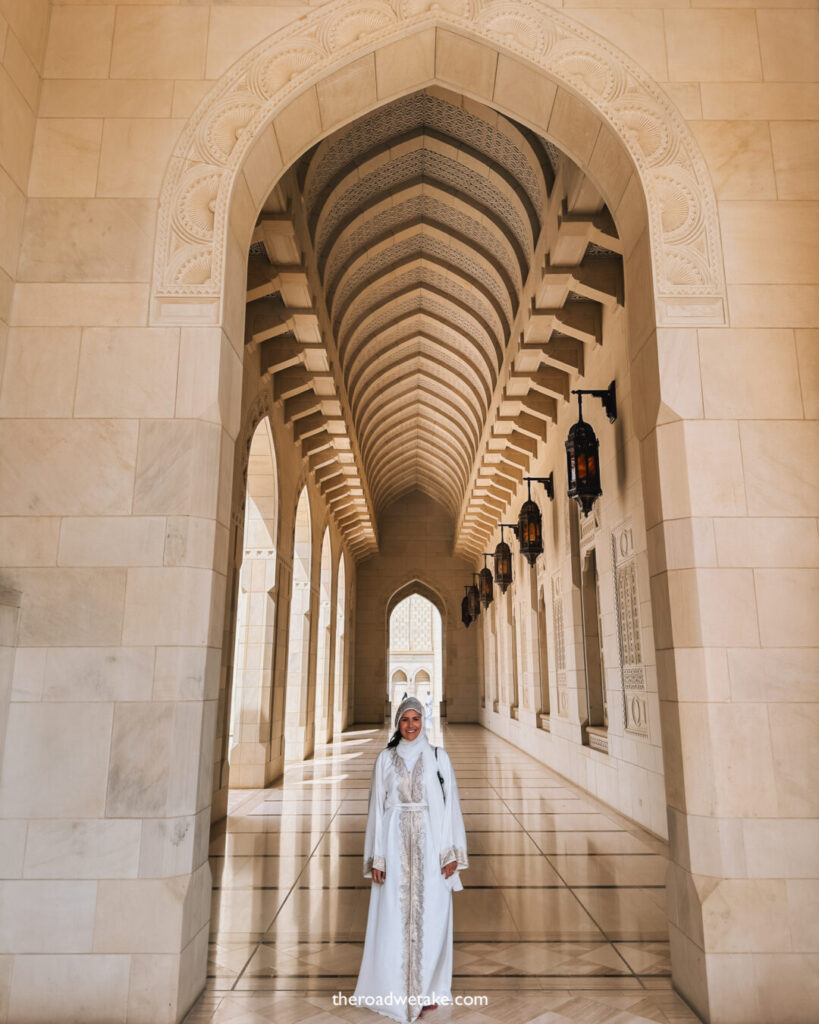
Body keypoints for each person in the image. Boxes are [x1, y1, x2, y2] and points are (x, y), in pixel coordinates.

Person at [354, 697, 468, 1022]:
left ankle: (428, 989)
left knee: (432, 915)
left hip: (431, 848)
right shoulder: (385, 760)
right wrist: (378, 858)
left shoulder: (437, 757)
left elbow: (450, 808)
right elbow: (377, 810)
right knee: (393, 918)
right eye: (406, 719)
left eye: (417, 719)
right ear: (397, 723)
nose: (412, 725)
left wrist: (450, 854)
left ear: (423, 721)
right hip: (393, 847)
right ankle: (393, 989)